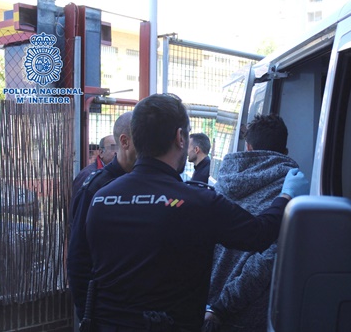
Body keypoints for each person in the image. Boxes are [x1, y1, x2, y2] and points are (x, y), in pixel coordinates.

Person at [85, 93, 310, 332]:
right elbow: (259, 234)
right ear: (180, 138)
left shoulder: (101, 198)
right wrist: (286, 196)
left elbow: (83, 267)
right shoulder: (197, 202)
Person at [205, 114, 299, 332]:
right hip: (247, 315)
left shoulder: (224, 180)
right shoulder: (290, 188)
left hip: (207, 304)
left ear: (247, 147)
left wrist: (215, 306)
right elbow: (267, 262)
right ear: (285, 151)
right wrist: (223, 307)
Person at [67, 111, 136, 321]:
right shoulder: (94, 183)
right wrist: (87, 313)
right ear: (124, 142)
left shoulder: (141, 181)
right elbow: (78, 256)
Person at [72, 134, 117, 199]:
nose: (117, 152)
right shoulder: (87, 175)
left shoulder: (120, 172)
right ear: (101, 152)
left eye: (119, 148)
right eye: (113, 148)